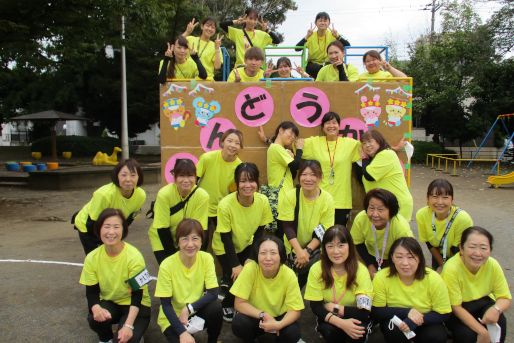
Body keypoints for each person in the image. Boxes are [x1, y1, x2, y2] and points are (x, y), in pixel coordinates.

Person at [212, 162, 273, 322]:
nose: (247, 185)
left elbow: (260, 232)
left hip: (245, 243)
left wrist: (252, 257)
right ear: (236, 183)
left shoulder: (262, 201)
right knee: (236, 276)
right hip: (224, 247)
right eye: (243, 181)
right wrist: (235, 264)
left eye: (251, 180)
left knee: (251, 271)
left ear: (257, 182)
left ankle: (243, 304)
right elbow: (225, 237)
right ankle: (227, 304)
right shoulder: (225, 204)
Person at [79, 208, 151, 343]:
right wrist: (96, 308)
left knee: (127, 339)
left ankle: (135, 334)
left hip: (137, 305)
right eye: (106, 227)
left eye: (116, 227)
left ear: (123, 230)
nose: (111, 232)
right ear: (99, 229)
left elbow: (138, 295)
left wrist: (128, 326)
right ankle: (106, 339)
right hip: (111, 302)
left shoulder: (134, 256)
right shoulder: (92, 257)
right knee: (94, 318)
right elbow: (92, 292)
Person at [155, 219, 222, 343]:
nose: (190, 244)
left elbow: (213, 293)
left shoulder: (206, 258)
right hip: (173, 317)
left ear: (202, 241)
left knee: (216, 308)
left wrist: (188, 309)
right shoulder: (167, 265)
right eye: (185, 238)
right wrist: (182, 332)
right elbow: (165, 304)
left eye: (195, 238)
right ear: (178, 242)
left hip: (194, 310)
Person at [372, 237, 451, 343]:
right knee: (393, 330)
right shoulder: (381, 277)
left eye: (411, 257)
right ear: (392, 258)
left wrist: (414, 320)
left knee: (436, 335)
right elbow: (377, 311)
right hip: (398, 319)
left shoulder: (433, 278)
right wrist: (407, 312)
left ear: (419, 258)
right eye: (399, 257)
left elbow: (444, 313)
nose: (405, 263)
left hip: (426, 320)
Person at [441, 226, 511, 343]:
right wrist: (482, 332)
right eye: (472, 247)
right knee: (468, 336)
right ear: (461, 248)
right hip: (458, 310)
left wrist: (496, 309)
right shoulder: (451, 268)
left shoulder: (492, 264)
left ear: (490, 250)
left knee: (500, 320)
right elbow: (456, 307)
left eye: (484, 248)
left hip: (482, 302)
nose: (478, 253)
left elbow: (505, 297)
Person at [305, 225, 373, 342]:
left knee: (357, 333)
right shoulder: (316, 269)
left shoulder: (361, 270)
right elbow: (316, 306)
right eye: (330, 246)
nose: (336, 251)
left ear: (350, 246)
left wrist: (335, 308)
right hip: (330, 317)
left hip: (355, 317)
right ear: (324, 249)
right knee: (330, 331)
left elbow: (364, 312)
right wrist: (342, 323)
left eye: (341, 245)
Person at [231, 235, 304, 342]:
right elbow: (239, 303)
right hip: (256, 316)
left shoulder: (289, 274)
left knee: (293, 333)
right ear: (257, 256)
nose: (268, 258)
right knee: (239, 323)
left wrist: (279, 325)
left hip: (279, 318)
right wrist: (263, 315)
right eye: (263, 253)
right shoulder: (250, 269)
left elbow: (295, 310)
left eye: (273, 253)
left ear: (281, 256)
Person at [277, 159, 335, 289]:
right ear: (299, 177)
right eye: (304, 174)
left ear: (320, 177)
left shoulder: (327, 199)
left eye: (313, 174)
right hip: (292, 248)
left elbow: (324, 229)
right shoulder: (291, 196)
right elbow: (287, 226)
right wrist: (299, 251)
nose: (308, 178)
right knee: (289, 285)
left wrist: (307, 252)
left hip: (314, 250)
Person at [73, 159, 146, 255]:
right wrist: (103, 241)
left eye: (133, 175)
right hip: (88, 225)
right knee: (96, 256)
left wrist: (117, 236)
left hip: (110, 225)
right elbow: (93, 222)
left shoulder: (141, 195)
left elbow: (129, 219)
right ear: (117, 177)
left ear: (139, 177)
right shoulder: (104, 194)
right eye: (123, 175)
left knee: (113, 254)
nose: (128, 179)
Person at [302, 112, 361, 226]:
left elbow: (370, 147)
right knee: (319, 235)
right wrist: (268, 141)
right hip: (319, 199)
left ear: (339, 126)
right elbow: (294, 144)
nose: (331, 126)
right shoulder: (314, 142)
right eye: (327, 123)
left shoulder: (349, 144)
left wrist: (393, 148)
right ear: (323, 127)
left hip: (342, 202)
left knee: (337, 235)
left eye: (334, 123)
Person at [148, 158, 209, 265]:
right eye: (181, 176)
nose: (186, 180)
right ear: (174, 177)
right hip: (162, 237)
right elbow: (162, 229)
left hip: (188, 240)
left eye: (190, 176)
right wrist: (174, 257)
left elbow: (200, 229)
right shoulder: (164, 194)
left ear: (195, 177)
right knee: (170, 269)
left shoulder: (202, 196)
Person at [351, 188, 413, 278]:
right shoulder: (361, 219)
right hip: (370, 255)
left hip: (395, 258)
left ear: (391, 211)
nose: (375, 214)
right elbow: (358, 243)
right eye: (371, 208)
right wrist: (369, 265)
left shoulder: (400, 227)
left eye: (380, 209)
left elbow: (407, 253)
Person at [196, 129, 243, 249]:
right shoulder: (207, 158)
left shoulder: (239, 167)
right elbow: (194, 182)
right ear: (222, 142)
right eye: (230, 141)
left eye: (237, 143)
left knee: (226, 244)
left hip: (222, 210)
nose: (233, 145)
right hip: (202, 207)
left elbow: (234, 191)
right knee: (201, 243)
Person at [416, 178, 473, 271]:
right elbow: (429, 244)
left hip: (461, 258)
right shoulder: (422, 215)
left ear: (452, 199)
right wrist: (442, 265)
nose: (440, 202)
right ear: (427, 199)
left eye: (445, 197)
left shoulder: (462, 218)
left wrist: (447, 269)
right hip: (438, 256)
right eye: (435, 197)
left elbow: (458, 251)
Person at [361, 130, 413, 221]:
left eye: (370, 141)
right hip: (384, 205)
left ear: (378, 140)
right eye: (364, 143)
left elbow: (369, 176)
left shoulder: (386, 154)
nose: (367, 145)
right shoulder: (376, 158)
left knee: (395, 234)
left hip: (396, 204)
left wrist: (364, 157)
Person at [264, 121, 303, 235]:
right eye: (290, 134)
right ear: (281, 130)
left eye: (294, 137)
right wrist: (299, 149)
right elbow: (296, 165)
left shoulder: (279, 149)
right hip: (280, 199)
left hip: (283, 198)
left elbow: (292, 173)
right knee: (283, 235)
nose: (292, 138)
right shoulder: (277, 148)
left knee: (283, 235)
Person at [295, 11, 351, 79]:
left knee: (338, 66)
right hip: (313, 65)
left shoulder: (334, 35)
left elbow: (348, 45)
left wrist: (338, 36)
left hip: (330, 62)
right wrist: (307, 36)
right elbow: (297, 49)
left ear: (329, 23)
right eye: (320, 21)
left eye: (325, 21)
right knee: (316, 68)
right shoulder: (310, 36)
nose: (322, 23)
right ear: (316, 23)